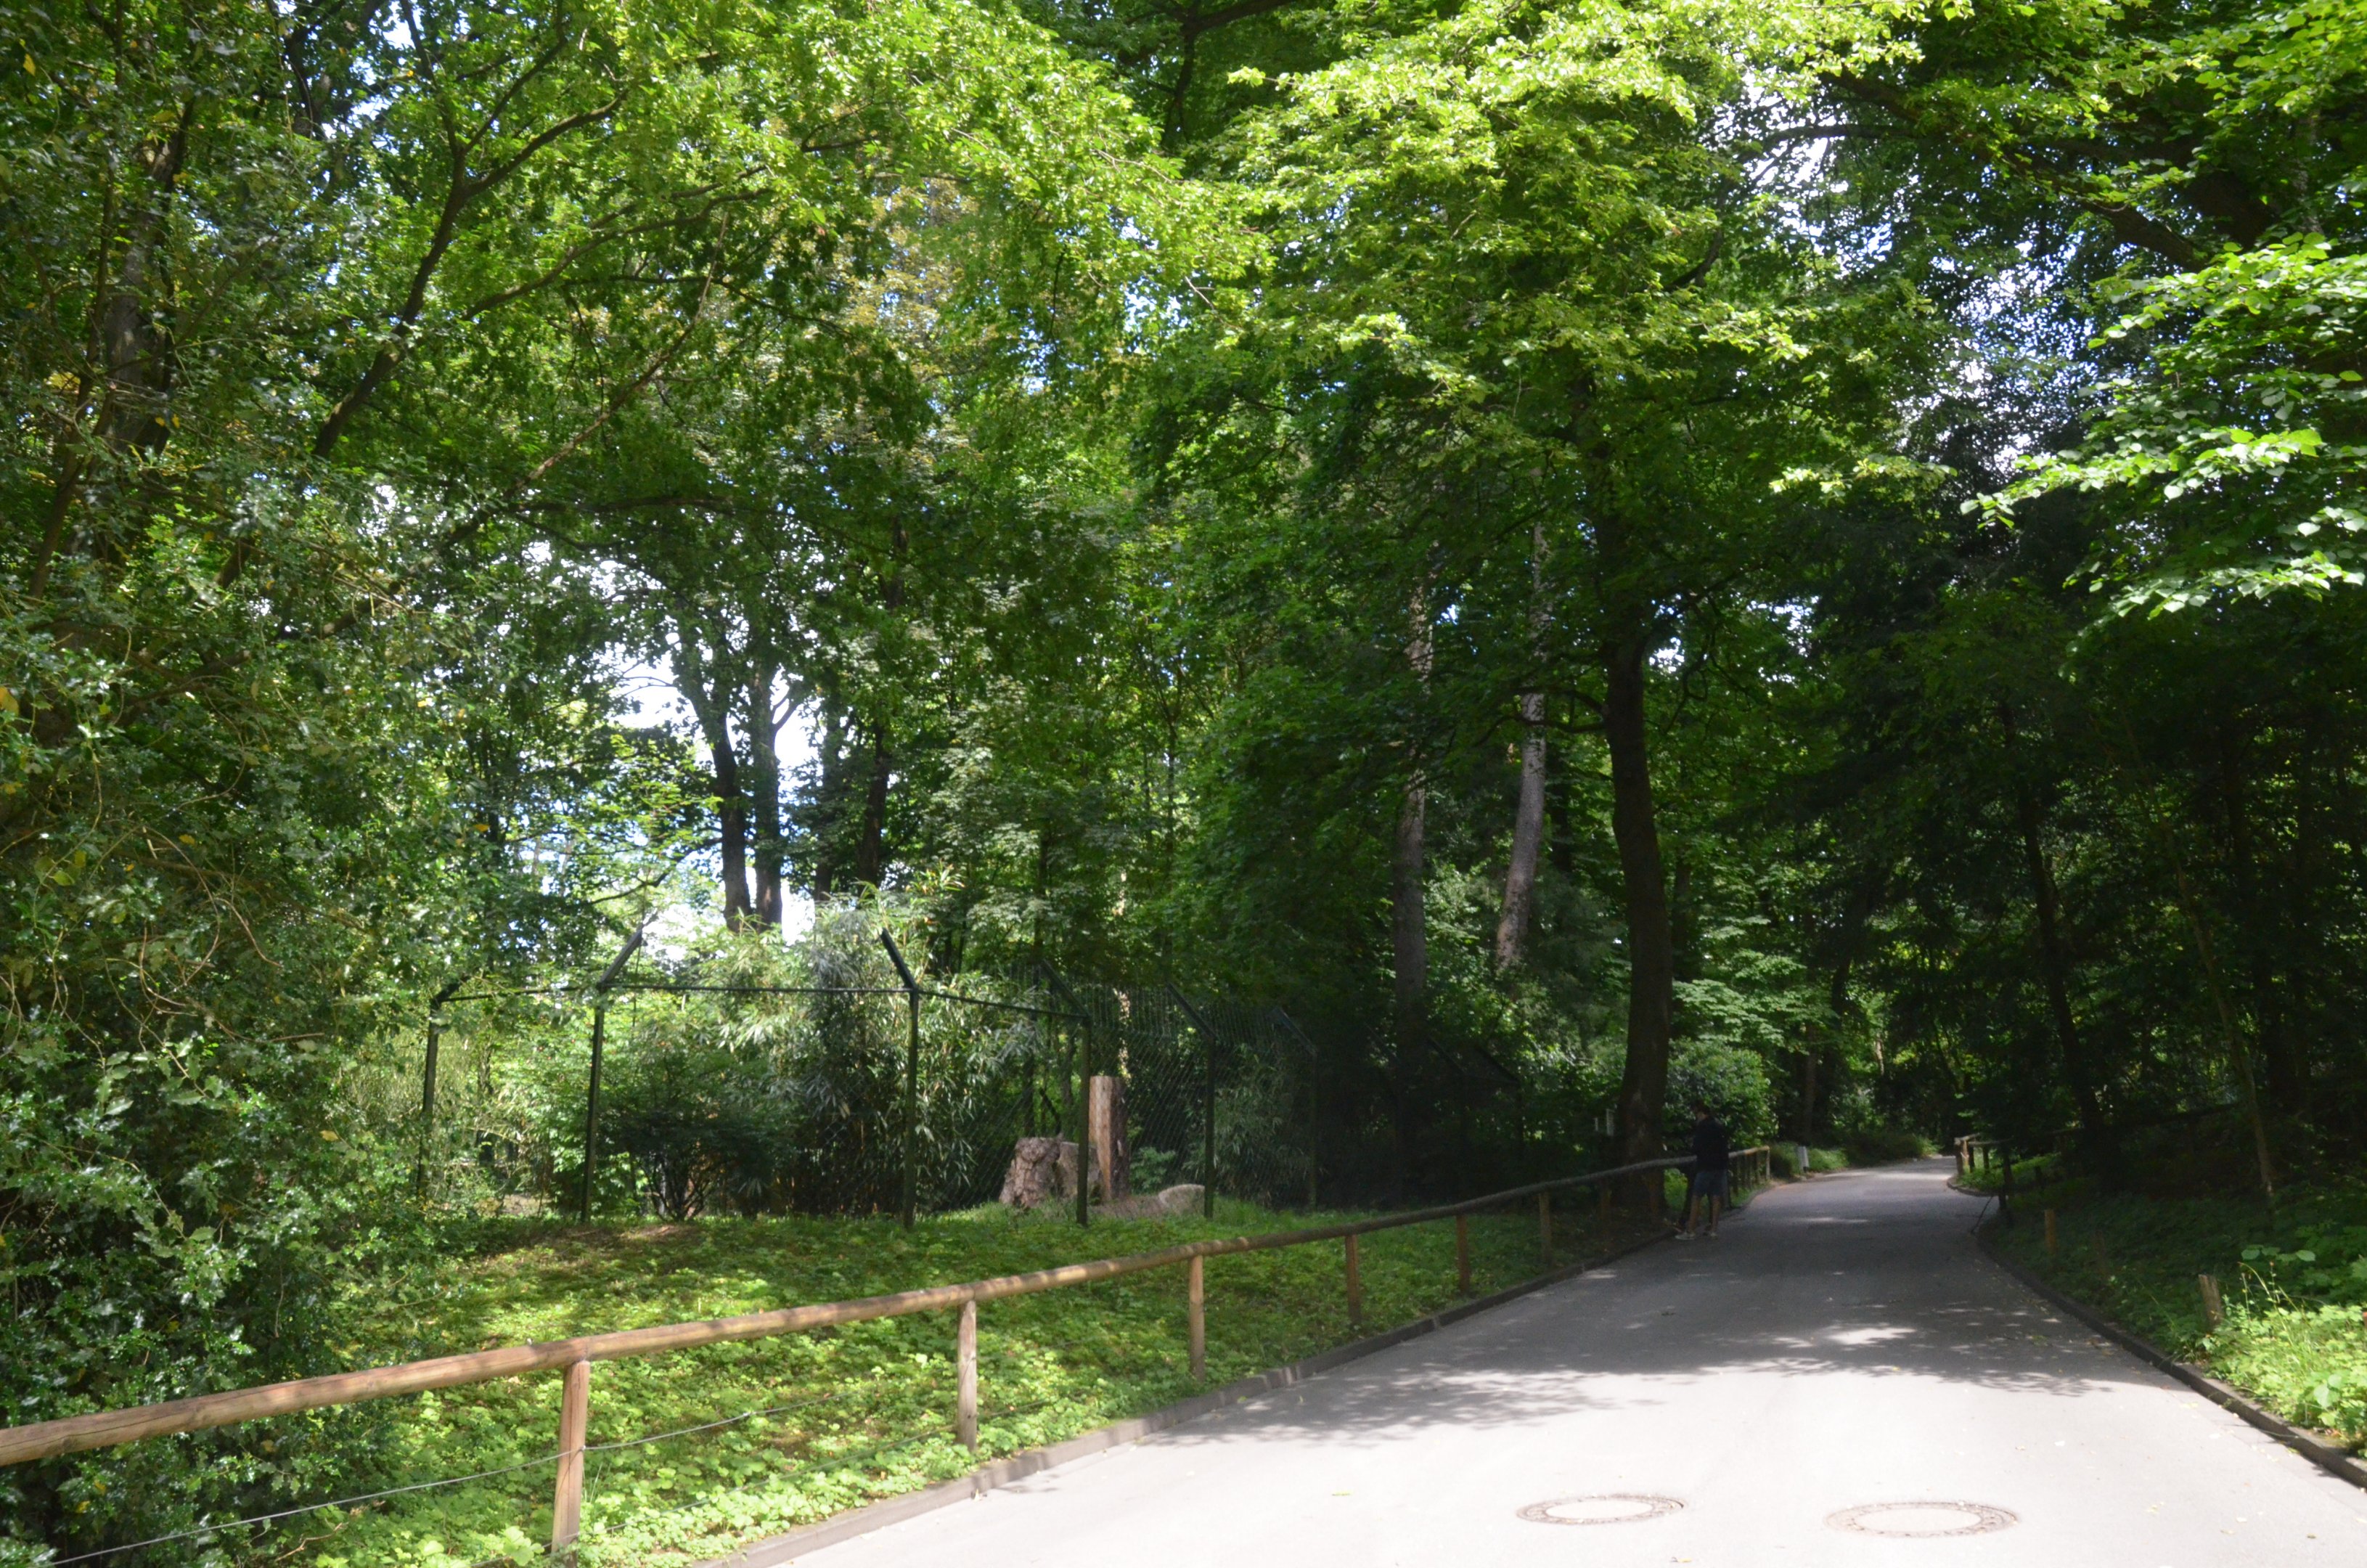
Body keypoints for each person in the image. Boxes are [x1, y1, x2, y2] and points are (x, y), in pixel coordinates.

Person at [1683, 1101, 1730, 1238]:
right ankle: (1713, 1229)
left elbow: (1696, 1147)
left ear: (1701, 1114)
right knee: (1716, 1197)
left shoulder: (1703, 1127)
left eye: (1697, 1114)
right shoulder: (1719, 1126)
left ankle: (1690, 1230)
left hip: (1706, 1166)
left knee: (1696, 1196)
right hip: (1720, 1166)